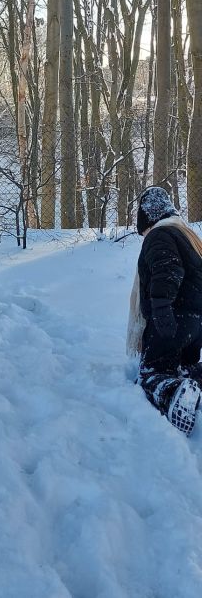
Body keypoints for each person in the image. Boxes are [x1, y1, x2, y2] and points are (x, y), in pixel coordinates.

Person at [130, 186, 202, 435]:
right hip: (194, 323)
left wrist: (161, 309)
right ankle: (193, 387)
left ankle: (173, 396)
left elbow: (168, 270)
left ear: (148, 218)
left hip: (171, 319)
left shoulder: (160, 236)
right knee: (181, 369)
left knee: (153, 373)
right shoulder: (187, 236)